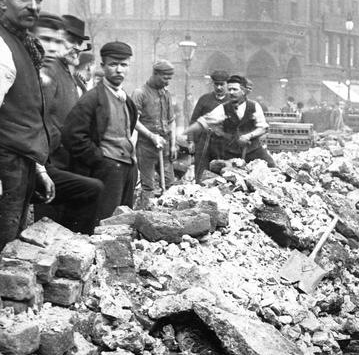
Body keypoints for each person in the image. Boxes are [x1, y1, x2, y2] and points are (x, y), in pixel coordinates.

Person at [0, 0, 54, 270]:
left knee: (9, 255)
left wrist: (38, 168)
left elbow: (25, 118)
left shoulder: (22, 43)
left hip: (19, 167)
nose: (33, 6)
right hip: (1, 170)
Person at [34, 12, 103, 234]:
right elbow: (39, 115)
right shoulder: (50, 71)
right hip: (49, 161)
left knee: (62, 226)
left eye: (79, 43)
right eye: (71, 41)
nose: (76, 48)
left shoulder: (68, 75)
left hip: (67, 160)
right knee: (47, 227)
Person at [62, 41, 138, 221]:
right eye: (113, 64)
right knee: (104, 222)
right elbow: (72, 135)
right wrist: (99, 159)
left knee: (124, 222)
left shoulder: (127, 100)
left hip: (127, 170)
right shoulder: (93, 98)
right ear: (103, 66)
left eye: (124, 65)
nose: (119, 70)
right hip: (107, 172)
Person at [182, 74, 274, 167]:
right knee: (223, 174)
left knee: (271, 165)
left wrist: (249, 135)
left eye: (235, 89)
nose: (231, 92)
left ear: (243, 91)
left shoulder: (254, 106)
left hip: (253, 150)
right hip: (231, 152)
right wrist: (185, 133)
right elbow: (204, 122)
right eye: (229, 89)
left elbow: (263, 128)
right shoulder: (223, 108)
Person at [132, 59, 177, 208]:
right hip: (146, 147)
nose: (168, 82)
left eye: (170, 78)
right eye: (165, 78)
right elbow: (134, 121)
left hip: (165, 145)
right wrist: (151, 136)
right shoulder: (140, 93)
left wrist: (173, 145)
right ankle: (147, 218)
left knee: (171, 184)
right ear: (155, 74)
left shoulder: (166, 94)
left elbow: (171, 121)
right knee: (148, 187)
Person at [190, 69, 230, 182]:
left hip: (224, 143)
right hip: (205, 141)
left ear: (227, 84)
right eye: (216, 84)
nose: (219, 87)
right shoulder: (204, 99)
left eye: (222, 84)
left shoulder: (232, 101)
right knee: (201, 170)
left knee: (225, 173)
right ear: (213, 84)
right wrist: (191, 141)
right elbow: (194, 120)